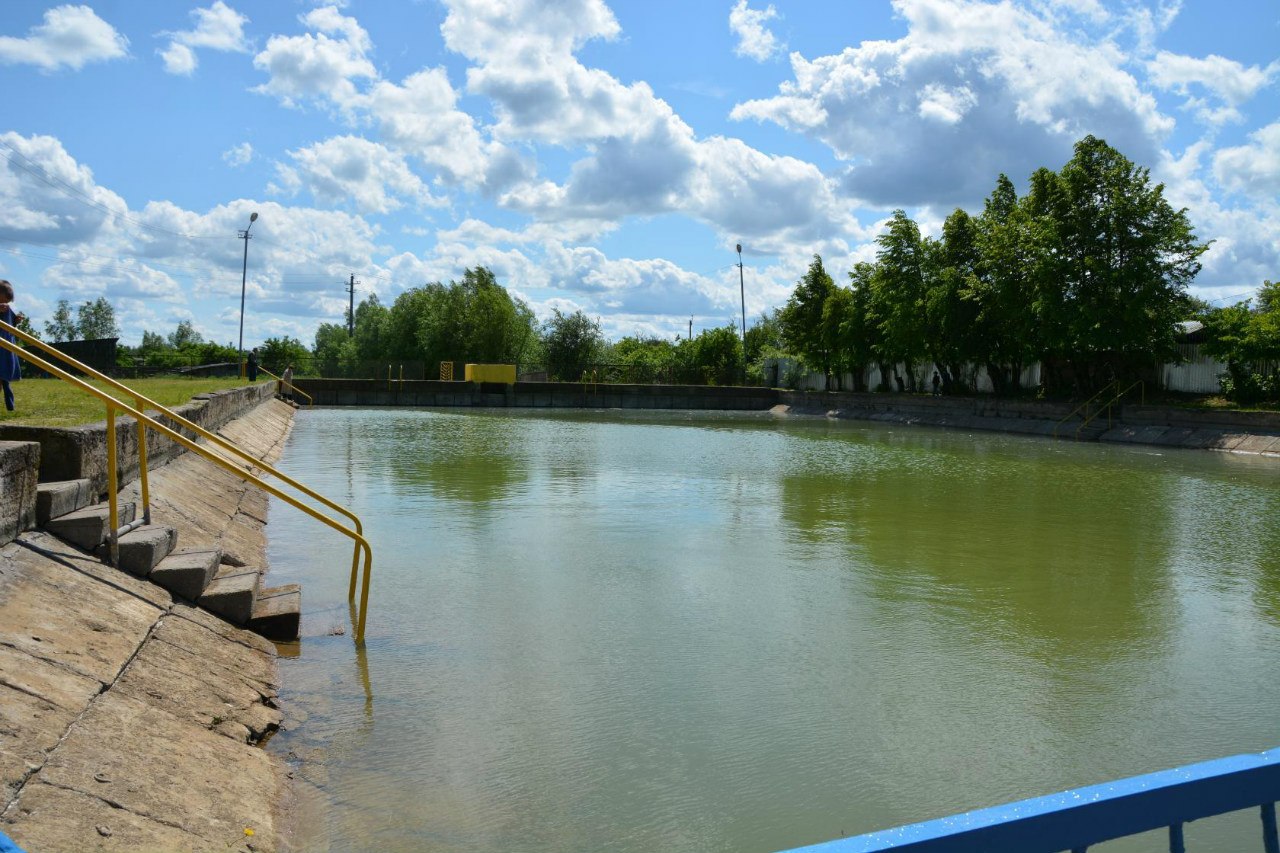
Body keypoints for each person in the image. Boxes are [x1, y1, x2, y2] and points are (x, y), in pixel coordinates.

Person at [0, 281, 25, 412]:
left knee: (5, 378)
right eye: (3, 301)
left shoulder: (7, 309)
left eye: (7, 302)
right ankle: (10, 407)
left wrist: (16, 320)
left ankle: (11, 407)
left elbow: (10, 325)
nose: (5, 305)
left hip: (6, 347)